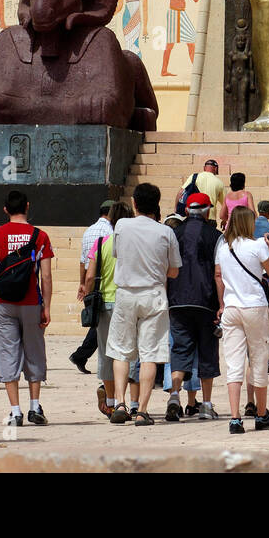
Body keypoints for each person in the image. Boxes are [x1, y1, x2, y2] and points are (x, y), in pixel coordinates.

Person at [107, 183, 182, 426]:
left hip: (126, 293)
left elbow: (117, 254)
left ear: (134, 204)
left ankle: (120, 403)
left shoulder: (121, 226)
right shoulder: (166, 232)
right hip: (154, 294)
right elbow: (173, 271)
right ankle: (142, 410)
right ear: (157, 204)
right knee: (150, 354)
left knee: (120, 350)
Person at [0, 190, 53, 427]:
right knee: (34, 351)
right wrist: (47, 307)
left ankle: (15, 411)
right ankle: (35, 406)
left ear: (5, 210)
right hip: (32, 301)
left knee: (7, 352)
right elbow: (47, 276)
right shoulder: (40, 236)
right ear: (28, 206)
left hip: (4, 303)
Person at [215, 206, 269, 433]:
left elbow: (220, 275)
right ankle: (261, 414)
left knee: (234, 363)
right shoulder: (256, 247)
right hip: (254, 306)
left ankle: (235, 419)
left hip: (231, 307)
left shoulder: (224, 248)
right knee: (259, 359)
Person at [165, 192, 222, 421]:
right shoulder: (215, 236)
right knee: (207, 352)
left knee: (180, 349)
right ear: (208, 210)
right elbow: (219, 272)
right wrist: (221, 303)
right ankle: (206, 404)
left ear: (186, 210)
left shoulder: (173, 234)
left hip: (177, 300)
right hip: (206, 300)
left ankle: (175, 396)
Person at [78, 201, 133, 419]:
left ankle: (110, 401)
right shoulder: (132, 245)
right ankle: (128, 401)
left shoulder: (102, 243)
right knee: (127, 353)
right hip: (127, 302)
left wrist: (88, 292)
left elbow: (90, 276)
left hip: (105, 304)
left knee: (106, 353)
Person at [71, 199, 115, 375]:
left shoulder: (89, 230)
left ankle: (81, 355)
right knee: (101, 322)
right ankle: (82, 355)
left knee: (98, 321)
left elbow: (84, 260)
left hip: (91, 279)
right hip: (104, 279)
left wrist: (82, 283)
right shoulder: (110, 231)